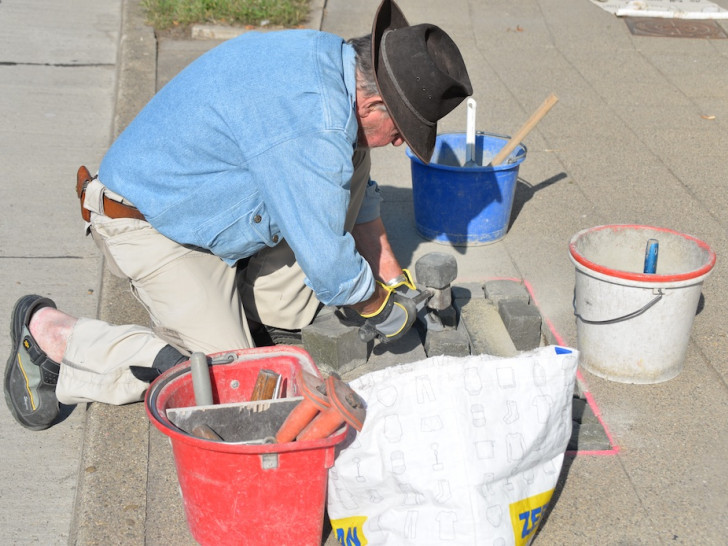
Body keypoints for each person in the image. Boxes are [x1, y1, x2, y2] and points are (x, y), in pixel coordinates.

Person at [4, 0, 472, 431]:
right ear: (373, 102)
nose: (398, 142)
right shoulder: (316, 118)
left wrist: (391, 276)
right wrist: (377, 307)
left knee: (353, 155)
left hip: (212, 205)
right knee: (223, 384)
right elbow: (331, 268)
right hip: (149, 222)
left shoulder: (336, 66)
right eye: (401, 130)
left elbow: (358, 190)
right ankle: (55, 340)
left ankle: (259, 312)